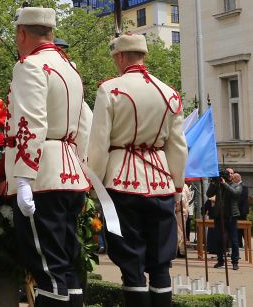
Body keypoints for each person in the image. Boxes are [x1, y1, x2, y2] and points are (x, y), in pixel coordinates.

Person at [88, 33, 188, 306]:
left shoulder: (110, 89)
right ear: (144, 55)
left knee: (131, 264)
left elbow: (98, 144)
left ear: (120, 56)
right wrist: (177, 186)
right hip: (161, 183)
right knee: (160, 264)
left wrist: (94, 186)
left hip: (122, 184)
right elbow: (178, 147)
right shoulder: (169, 93)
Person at [5, 7, 92, 307]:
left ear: (22, 33)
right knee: (67, 266)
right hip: (70, 174)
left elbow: (31, 123)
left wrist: (24, 178)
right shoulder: (69, 69)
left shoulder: (30, 66)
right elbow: (84, 125)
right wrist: (83, 167)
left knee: (47, 269)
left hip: (43, 177)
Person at [207, 169, 243, 270]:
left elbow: (235, 194)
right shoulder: (219, 185)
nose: (229, 175)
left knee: (234, 240)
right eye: (227, 174)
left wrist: (224, 184)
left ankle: (235, 262)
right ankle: (220, 260)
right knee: (219, 239)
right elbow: (208, 194)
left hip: (231, 216)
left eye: (231, 173)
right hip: (220, 216)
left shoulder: (236, 185)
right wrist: (213, 183)